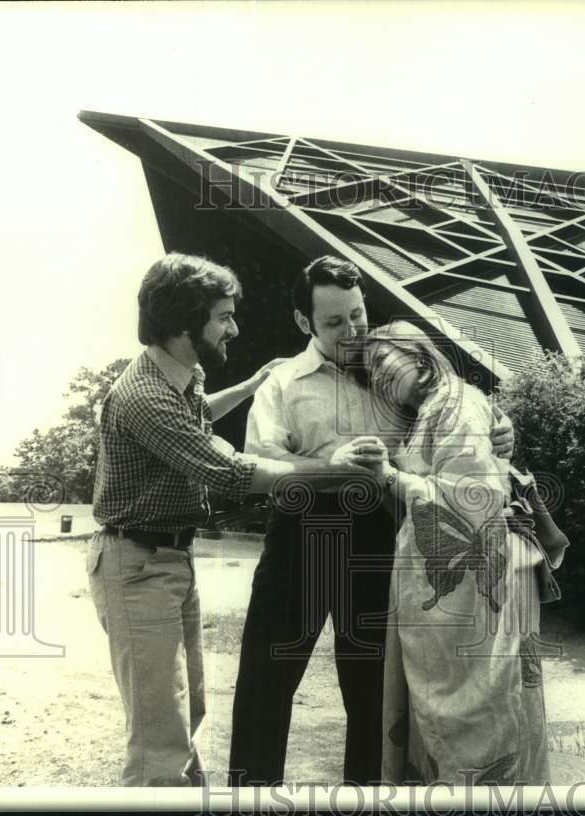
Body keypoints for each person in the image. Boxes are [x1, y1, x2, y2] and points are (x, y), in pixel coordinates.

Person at [86, 253, 373, 787]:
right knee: (160, 738)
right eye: (223, 317)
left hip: (167, 559)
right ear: (182, 324)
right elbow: (232, 470)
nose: (234, 329)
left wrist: (246, 386)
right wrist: (335, 470)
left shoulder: (179, 374)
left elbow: (195, 416)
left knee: (185, 715)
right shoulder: (147, 397)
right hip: (137, 564)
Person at [229, 256, 513, 785]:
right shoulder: (283, 382)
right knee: (266, 681)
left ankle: (366, 797)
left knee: (374, 695)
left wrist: (500, 432)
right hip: (301, 532)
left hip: (379, 533)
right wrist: (328, 464)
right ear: (304, 322)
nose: (352, 331)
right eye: (334, 322)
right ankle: (250, 799)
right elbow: (258, 468)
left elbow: (449, 414)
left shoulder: (391, 368)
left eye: (357, 314)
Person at [345, 320, 552, 785]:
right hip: (458, 591)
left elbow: (473, 497)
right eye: (370, 371)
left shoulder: (457, 403)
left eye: (383, 359)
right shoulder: (431, 409)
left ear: (419, 354)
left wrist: (390, 476)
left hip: (478, 592)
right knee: (455, 716)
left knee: (482, 712)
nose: (377, 375)